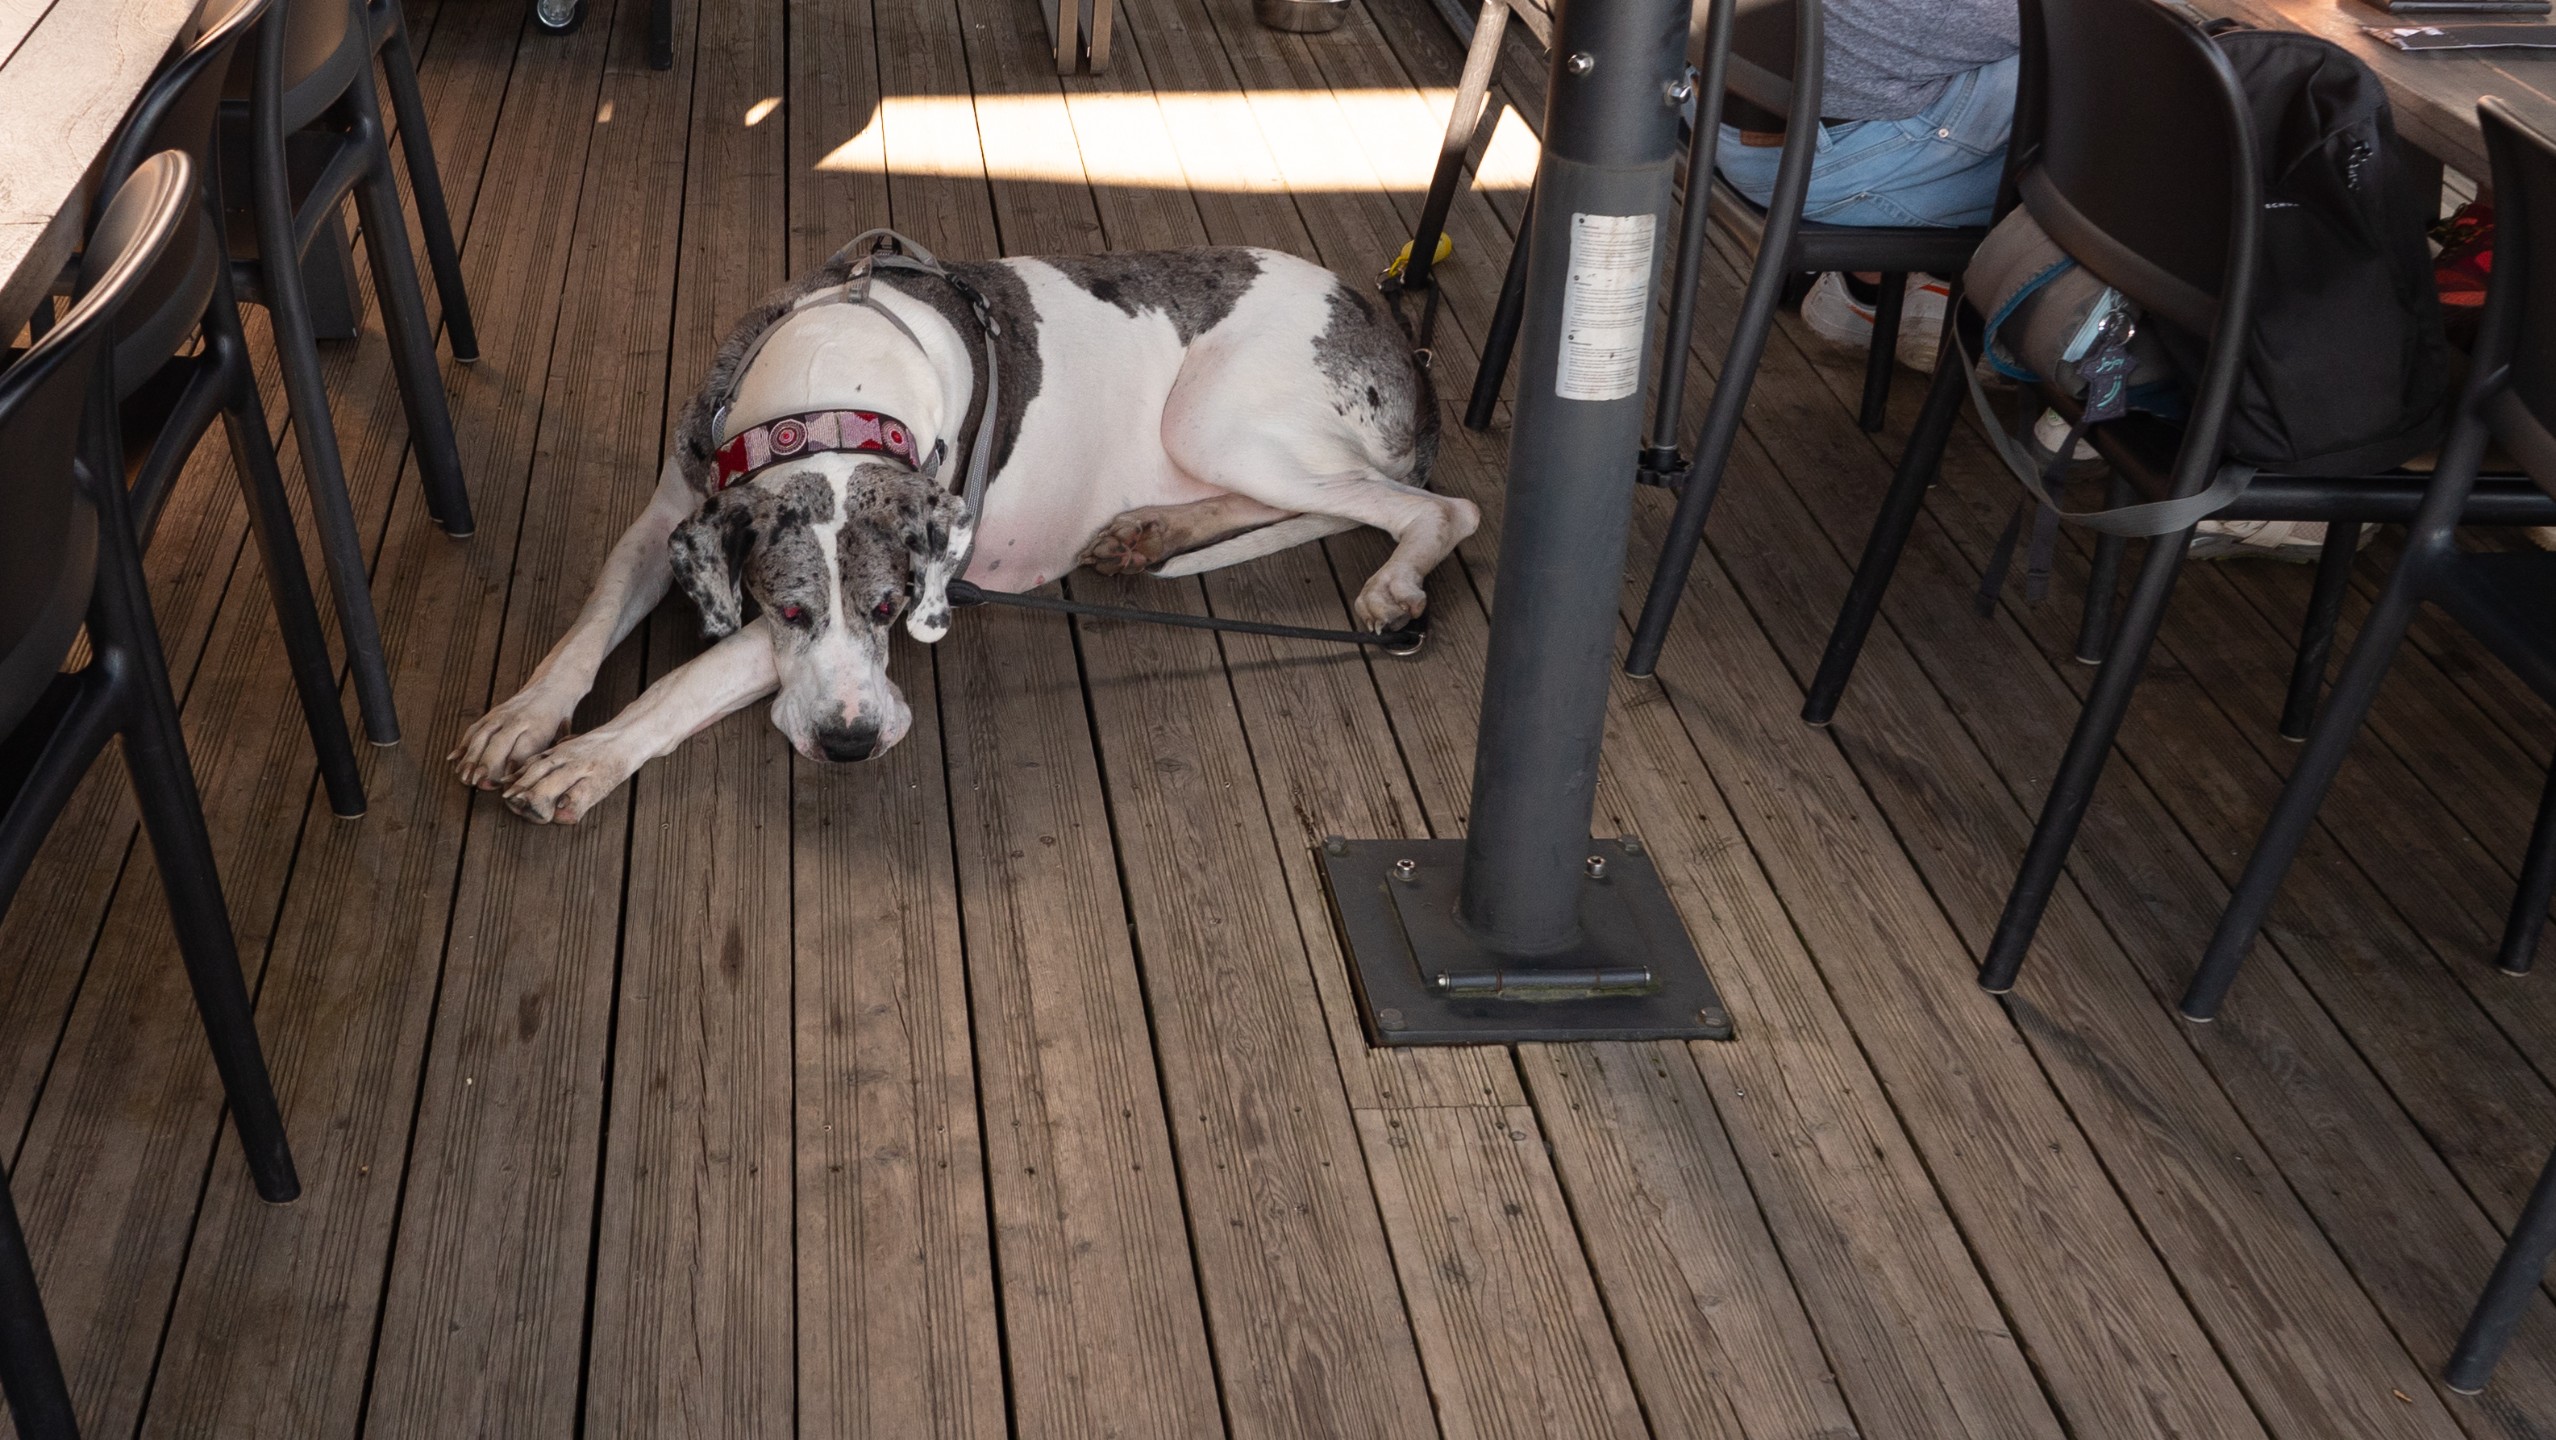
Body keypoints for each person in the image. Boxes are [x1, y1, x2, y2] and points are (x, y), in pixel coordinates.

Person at [1714, 0, 2021, 368]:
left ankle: (1877, 285)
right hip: (1821, 159)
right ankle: (1986, 306)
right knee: (2073, 73)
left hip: (1725, 102)